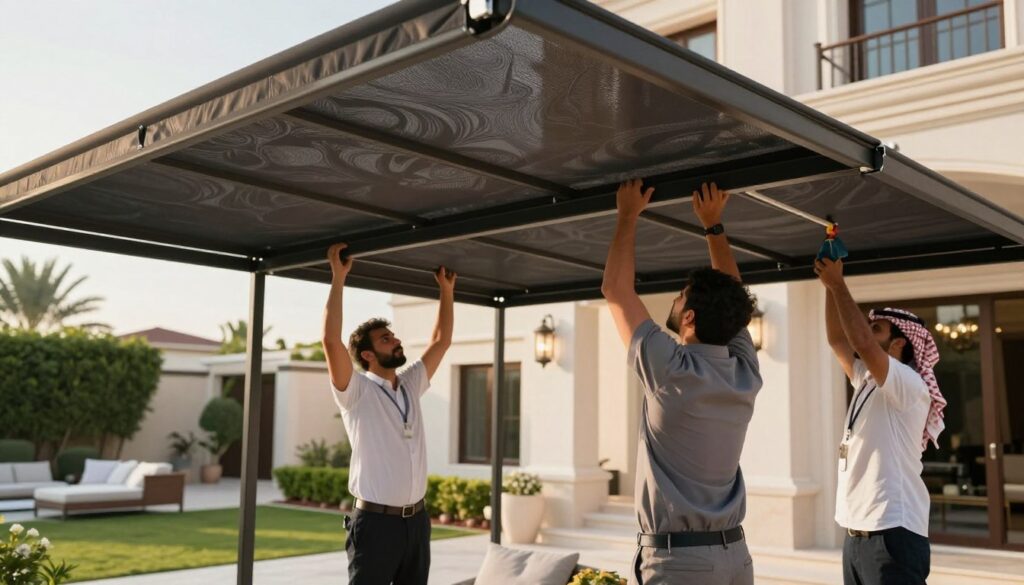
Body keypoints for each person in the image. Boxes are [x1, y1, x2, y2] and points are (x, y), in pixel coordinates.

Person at [601, 180, 762, 585]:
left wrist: (627, 214)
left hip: (682, 564)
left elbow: (615, 290)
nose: (675, 300)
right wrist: (713, 226)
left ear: (688, 317)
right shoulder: (743, 369)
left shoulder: (671, 368)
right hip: (735, 556)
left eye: (680, 296)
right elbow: (733, 297)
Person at [321, 242, 457, 585]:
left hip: (417, 522)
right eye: (385, 339)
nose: (396, 341)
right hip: (375, 526)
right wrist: (338, 277)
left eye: (393, 335)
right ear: (367, 355)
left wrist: (446, 291)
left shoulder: (410, 383)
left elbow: (441, 341)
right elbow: (331, 341)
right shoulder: (356, 391)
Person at [815, 257, 945, 584]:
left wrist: (838, 284)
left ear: (898, 343)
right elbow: (837, 339)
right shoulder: (866, 379)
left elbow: (860, 342)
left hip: (892, 533)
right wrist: (828, 286)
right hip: (856, 534)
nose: (866, 333)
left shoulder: (908, 382)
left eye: (877, 329)